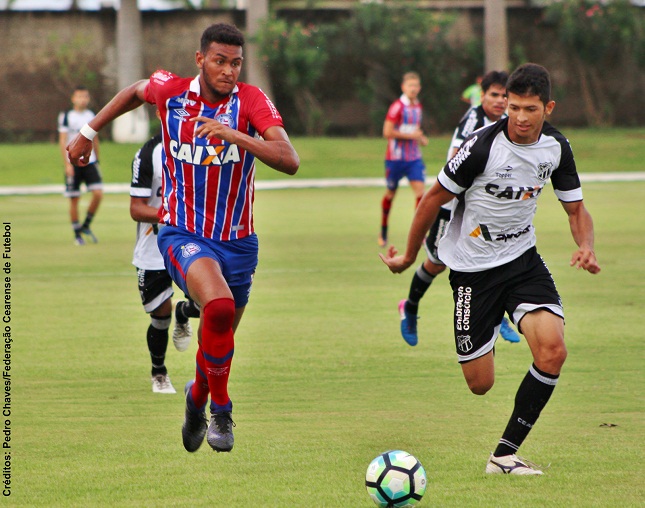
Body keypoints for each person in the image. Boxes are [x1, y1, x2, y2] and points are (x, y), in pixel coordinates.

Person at [67, 23, 300, 453]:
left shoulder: (250, 101)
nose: (229, 71)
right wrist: (88, 131)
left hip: (239, 242)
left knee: (218, 337)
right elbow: (137, 89)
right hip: (182, 233)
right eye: (219, 61)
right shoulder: (172, 92)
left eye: (236, 63)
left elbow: (290, 159)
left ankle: (196, 401)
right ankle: (222, 412)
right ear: (200, 60)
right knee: (219, 306)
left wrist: (235, 135)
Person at [381, 63, 600, 474]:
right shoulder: (482, 146)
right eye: (513, 107)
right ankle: (495, 318)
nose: (519, 117)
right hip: (472, 271)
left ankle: (503, 456)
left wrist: (586, 246)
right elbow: (431, 200)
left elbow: (575, 209)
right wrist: (409, 256)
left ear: (547, 108)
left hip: (522, 262)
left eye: (529, 109)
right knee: (481, 384)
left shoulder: (556, 148)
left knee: (553, 351)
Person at [398, 70, 521, 346]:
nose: (500, 100)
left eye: (504, 95)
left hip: (482, 207)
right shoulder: (473, 121)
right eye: (494, 95)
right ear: (482, 96)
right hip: (453, 204)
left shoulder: (507, 121)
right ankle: (410, 307)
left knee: (492, 255)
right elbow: (456, 159)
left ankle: (498, 315)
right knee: (436, 263)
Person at [129, 129, 201, 394]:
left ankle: (183, 311)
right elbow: (136, 209)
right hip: (153, 248)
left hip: (194, 244)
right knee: (160, 315)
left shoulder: (203, 148)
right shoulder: (149, 153)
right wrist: (172, 215)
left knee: (213, 302)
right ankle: (158, 372)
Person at [379, 72, 429, 248]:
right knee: (390, 194)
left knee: (421, 195)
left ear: (419, 88)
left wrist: (420, 138)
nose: (413, 89)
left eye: (416, 85)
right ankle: (383, 230)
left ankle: (419, 235)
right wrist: (411, 136)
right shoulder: (397, 107)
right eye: (410, 86)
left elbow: (414, 130)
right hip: (395, 159)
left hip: (414, 159)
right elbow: (387, 132)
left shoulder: (418, 107)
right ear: (403, 87)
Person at [57, 85, 102, 245]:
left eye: (85, 96)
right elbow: (63, 140)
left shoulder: (91, 115)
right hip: (73, 162)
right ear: (73, 99)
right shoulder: (67, 116)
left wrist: (98, 160)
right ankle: (77, 234)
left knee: (98, 193)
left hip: (90, 161)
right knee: (74, 199)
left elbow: (95, 139)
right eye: (79, 96)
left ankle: (86, 226)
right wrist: (67, 164)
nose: (83, 99)